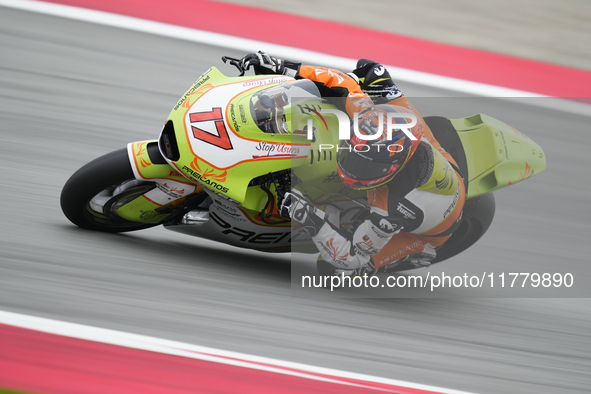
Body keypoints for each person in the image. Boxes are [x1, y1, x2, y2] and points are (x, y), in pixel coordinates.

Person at [239, 51, 466, 275]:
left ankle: (420, 252)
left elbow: (352, 257)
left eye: (365, 165)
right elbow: (343, 83)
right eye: (352, 150)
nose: (351, 166)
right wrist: (284, 67)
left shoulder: (390, 210)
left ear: (392, 169)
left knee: (336, 270)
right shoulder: (371, 119)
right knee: (373, 72)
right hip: (441, 157)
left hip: (431, 230)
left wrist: (307, 216)